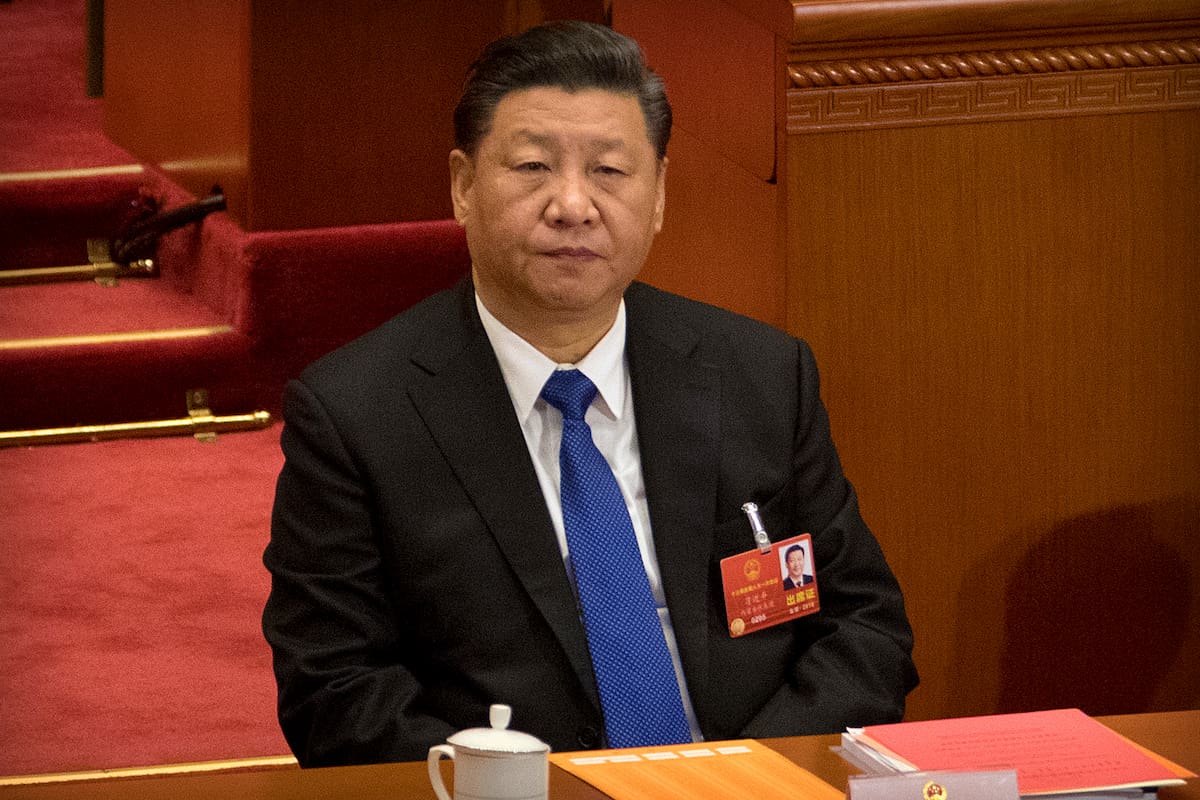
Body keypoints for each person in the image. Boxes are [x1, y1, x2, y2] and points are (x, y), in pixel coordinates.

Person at [262, 20, 917, 768]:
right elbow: (334, 691)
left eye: (610, 171)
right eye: (534, 166)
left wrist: (744, 780)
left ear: (661, 193)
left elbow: (865, 628)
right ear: (463, 187)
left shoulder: (761, 373)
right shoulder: (357, 414)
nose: (572, 204)